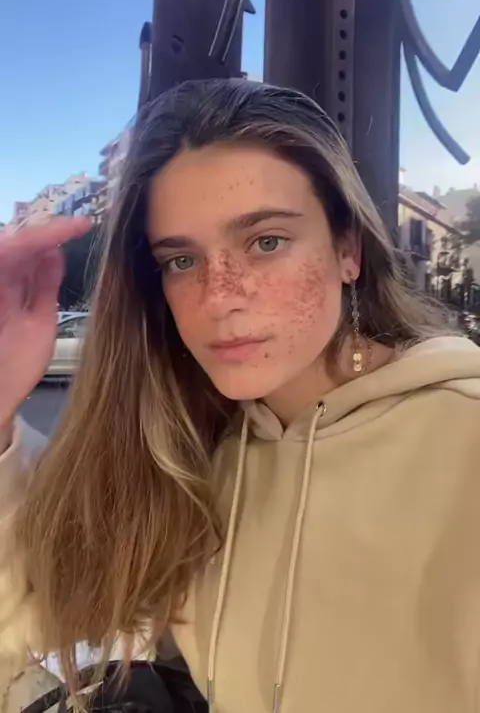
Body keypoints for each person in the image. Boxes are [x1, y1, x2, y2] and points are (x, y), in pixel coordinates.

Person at [1, 78, 480, 713]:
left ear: (348, 250)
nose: (219, 297)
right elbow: (37, 618)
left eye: (266, 242)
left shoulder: (462, 442)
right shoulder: (194, 454)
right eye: (181, 260)